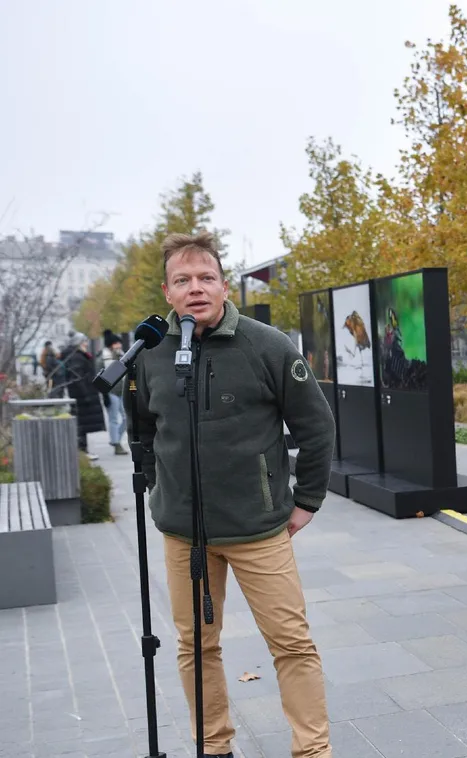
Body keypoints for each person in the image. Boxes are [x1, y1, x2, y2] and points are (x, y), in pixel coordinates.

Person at [126, 232, 336, 758]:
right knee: (195, 646)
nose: (195, 289)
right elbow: (143, 431)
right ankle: (213, 747)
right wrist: (159, 485)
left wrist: (306, 500)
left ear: (224, 285)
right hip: (182, 532)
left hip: (258, 529)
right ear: (167, 291)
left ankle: (312, 751)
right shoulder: (151, 354)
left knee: (291, 643)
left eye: (206, 278)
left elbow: (316, 427)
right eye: (183, 280)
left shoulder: (267, 345)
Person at [56, 333, 106, 459]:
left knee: (82, 424)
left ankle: (83, 450)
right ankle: (82, 451)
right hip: (82, 396)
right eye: (84, 341)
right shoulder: (77, 357)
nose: (86, 344)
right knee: (81, 424)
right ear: (77, 343)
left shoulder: (77, 355)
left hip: (82, 394)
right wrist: (86, 394)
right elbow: (78, 378)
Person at [100, 331, 128, 455]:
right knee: (113, 419)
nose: (119, 346)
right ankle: (116, 442)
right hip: (111, 391)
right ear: (111, 344)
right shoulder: (104, 357)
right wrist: (104, 393)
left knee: (127, 417)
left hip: (122, 390)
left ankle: (115, 439)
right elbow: (104, 376)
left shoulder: (122, 355)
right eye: (116, 343)